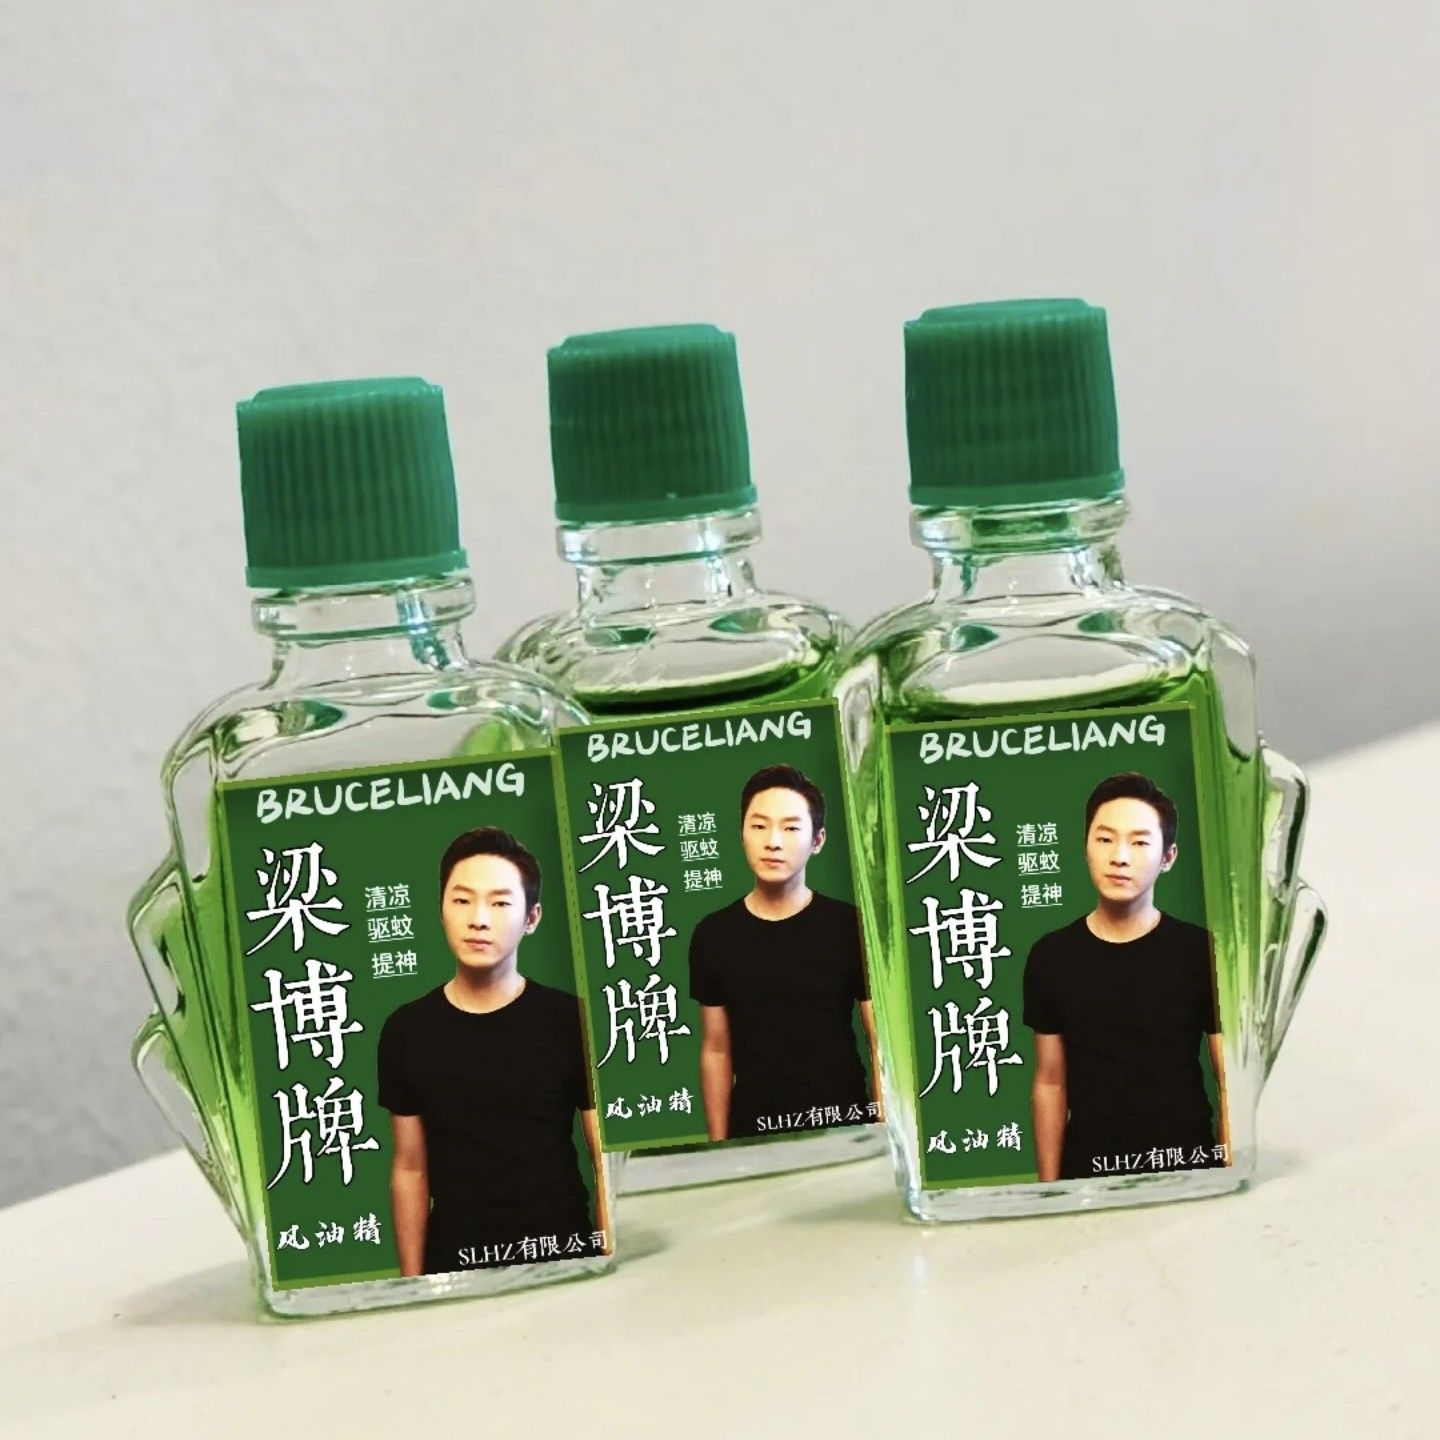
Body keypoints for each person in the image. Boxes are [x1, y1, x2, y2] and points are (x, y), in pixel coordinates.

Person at [377, 827, 607, 1275]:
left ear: (531, 918)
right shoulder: (406, 1030)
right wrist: (414, 1285)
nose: (478, 919)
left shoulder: (570, 1018)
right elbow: (409, 1168)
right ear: (441, 909)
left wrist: (604, 1260)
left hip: (562, 1256)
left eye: (500, 903)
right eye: (462, 900)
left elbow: (603, 1157)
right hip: (456, 1266)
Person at [1023, 772, 1228, 1182]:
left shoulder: (1201, 950)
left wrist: (1226, 1175)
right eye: (1104, 839)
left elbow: (1229, 1082)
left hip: (1187, 1169)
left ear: (1168, 856)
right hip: (1090, 1177)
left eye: (1139, 842)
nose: (1119, 857)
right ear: (1085, 846)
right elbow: (1050, 1083)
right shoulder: (1051, 956)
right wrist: (1050, 1193)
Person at [688, 764, 878, 1141]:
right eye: (759, 826)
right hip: (756, 1134)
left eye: (791, 828)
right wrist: (719, 1150)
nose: (773, 842)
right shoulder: (713, 934)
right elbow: (716, 1050)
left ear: (817, 840)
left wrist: (883, 1134)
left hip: (845, 1126)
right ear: (742, 833)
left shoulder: (851, 925)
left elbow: (880, 1046)